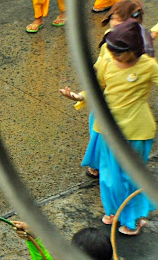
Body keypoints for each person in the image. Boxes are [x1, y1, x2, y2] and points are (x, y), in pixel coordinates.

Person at [60, 19, 157, 235]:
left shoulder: (149, 66)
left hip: (136, 132)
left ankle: (132, 218)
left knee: (130, 177)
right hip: (108, 131)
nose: (113, 56)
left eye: (118, 53)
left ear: (134, 50)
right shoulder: (107, 63)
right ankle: (116, 210)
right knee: (109, 177)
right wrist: (77, 96)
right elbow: (97, 89)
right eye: (111, 52)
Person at [82, 0, 149, 181]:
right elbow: (101, 63)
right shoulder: (109, 37)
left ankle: (110, 169)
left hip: (121, 101)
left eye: (120, 21)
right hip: (104, 92)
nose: (114, 24)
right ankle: (97, 164)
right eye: (113, 19)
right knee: (96, 128)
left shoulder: (141, 47)